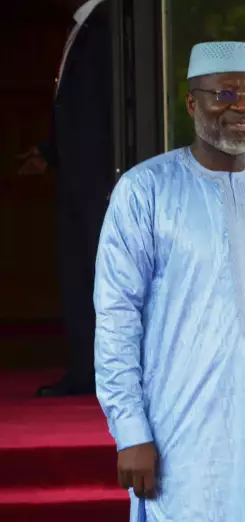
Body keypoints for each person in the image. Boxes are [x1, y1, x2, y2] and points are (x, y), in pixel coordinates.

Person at [93, 41, 245, 522]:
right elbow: (117, 318)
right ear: (191, 103)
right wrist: (131, 429)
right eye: (224, 93)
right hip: (182, 426)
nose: (243, 109)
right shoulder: (145, 190)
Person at [25, 0, 113, 397]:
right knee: (77, 274)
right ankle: (84, 371)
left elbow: (110, 106)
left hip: (100, 178)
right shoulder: (82, 26)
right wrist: (50, 150)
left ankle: (105, 374)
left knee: (100, 278)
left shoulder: (111, 24)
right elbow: (75, 105)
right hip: (77, 176)